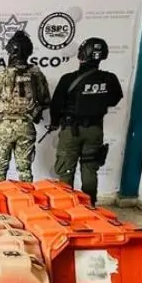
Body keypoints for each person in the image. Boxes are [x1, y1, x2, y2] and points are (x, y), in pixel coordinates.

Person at [50, 37, 123, 205]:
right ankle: (89, 207)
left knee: (66, 169)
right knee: (90, 168)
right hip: (95, 130)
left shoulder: (68, 79)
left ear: (82, 54)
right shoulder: (109, 79)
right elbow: (114, 99)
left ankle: (65, 207)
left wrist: (55, 122)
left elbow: (56, 105)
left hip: (71, 130)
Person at [0, 31, 51, 182]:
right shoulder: (37, 75)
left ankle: (0, 197)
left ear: (10, 51)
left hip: (4, 127)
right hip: (26, 126)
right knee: (25, 172)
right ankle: (25, 197)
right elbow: (46, 100)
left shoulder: (0, 76)